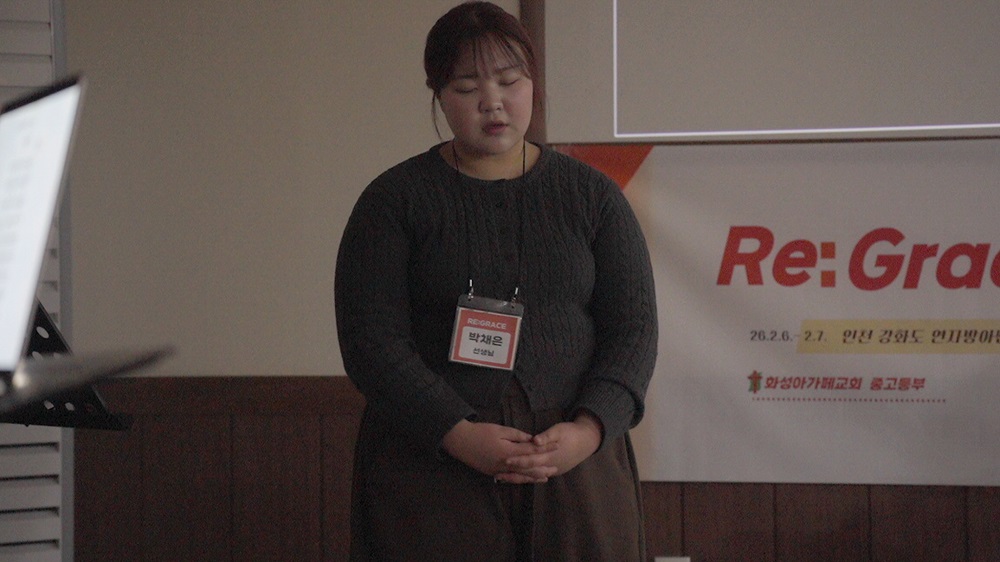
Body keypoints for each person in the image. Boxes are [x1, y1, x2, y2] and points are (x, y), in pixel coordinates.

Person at [334, 2, 657, 560]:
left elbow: (634, 330)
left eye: (510, 81)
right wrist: (455, 432)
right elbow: (371, 341)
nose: (493, 102)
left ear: (533, 83)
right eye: (467, 87)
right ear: (438, 94)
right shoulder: (393, 201)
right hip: (430, 467)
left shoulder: (593, 197)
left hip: (573, 464)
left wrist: (587, 430)